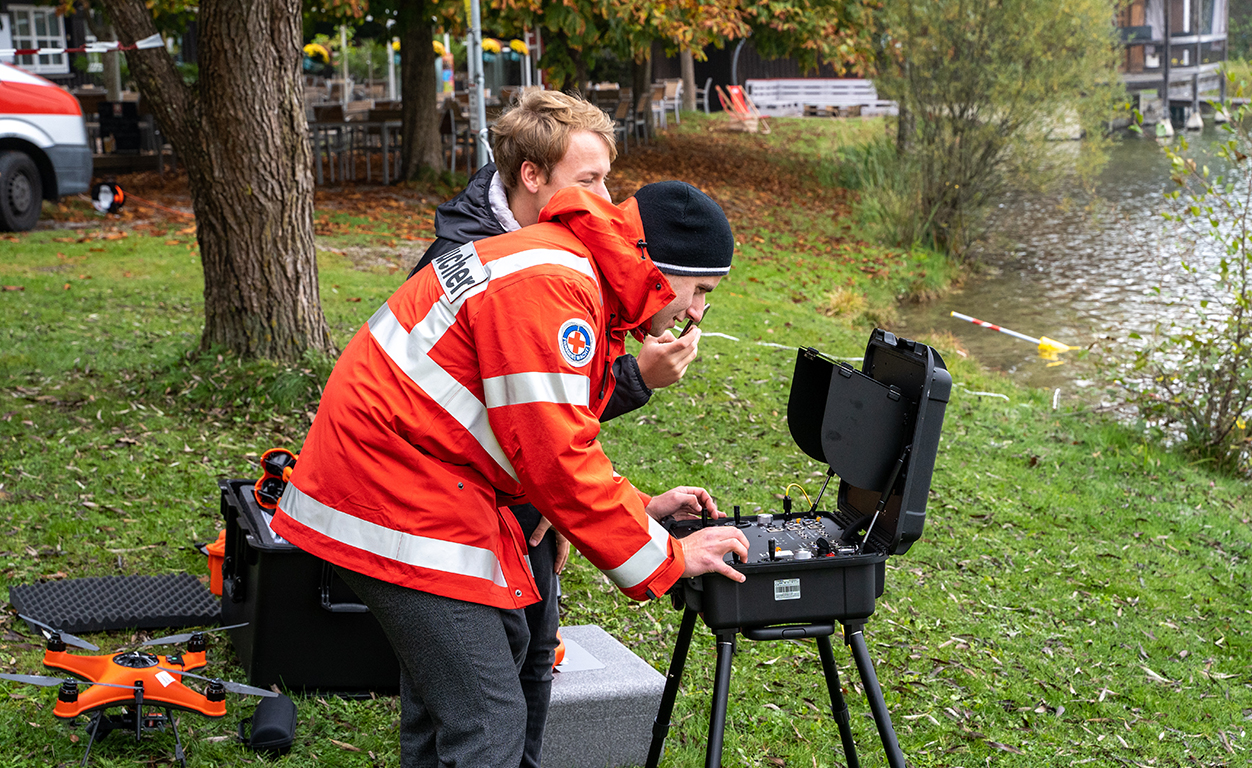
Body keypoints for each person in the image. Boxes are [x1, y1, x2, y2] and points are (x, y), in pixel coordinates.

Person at [273, 180, 750, 768]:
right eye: (699, 289)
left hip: (407, 482)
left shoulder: (567, 267)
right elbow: (556, 462)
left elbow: (541, 433)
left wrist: (636, 506)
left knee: (448, 698)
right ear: (655, 264)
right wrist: (670, 558)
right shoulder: (555, 287)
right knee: (488, 723)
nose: (698, 312)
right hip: (395, 497)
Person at [407, 90, 699, 768]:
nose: (604, 200)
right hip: (455, 508)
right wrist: (641, 384)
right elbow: (522, 419)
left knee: (534, 659)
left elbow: (554, 411)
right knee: (479, 705)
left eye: (608, 179)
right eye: (589, 181)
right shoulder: (493, 259)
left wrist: (563, 508)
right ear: (533, 176)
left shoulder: (557, 249)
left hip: (521, 498)